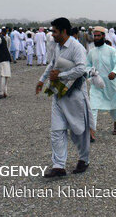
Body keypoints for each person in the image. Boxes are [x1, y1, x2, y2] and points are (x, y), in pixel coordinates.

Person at [36, 17, 90, 177]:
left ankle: (84, 159)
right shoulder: (57, 46)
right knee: (57, 130)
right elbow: (52, 64)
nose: (52, 34)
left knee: (78, 130)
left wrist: (61, 75)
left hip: (74, 95)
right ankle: (59, 165)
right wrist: (42, 79)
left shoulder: (76, 47)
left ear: (64, 31)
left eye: (55, 31)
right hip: (58, 94)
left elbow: (81, 69)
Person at [86, 27, 116, 138]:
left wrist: (114, 72)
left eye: (98, 36)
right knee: (93, 106)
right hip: (96, 84)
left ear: (103, 36)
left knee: (114, 104)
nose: (96, 38)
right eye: (95, 36)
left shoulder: (111, 50)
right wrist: (90, 72)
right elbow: (87, 65)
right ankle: (92, 131)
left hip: (110, 82)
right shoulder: (91, 52)